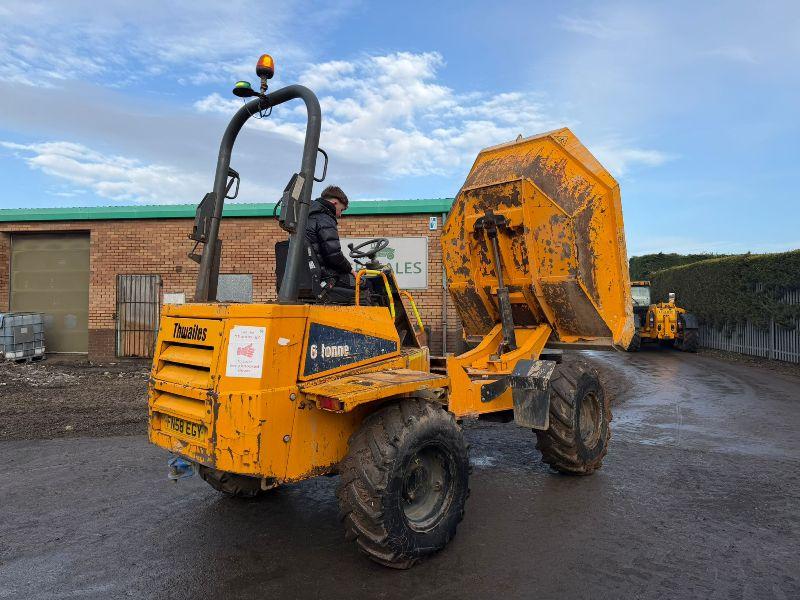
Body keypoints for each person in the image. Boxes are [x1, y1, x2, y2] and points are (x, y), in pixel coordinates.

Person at [305, 185, 358, 303]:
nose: (340, 214)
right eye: (341, 209)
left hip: (309, 276)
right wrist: (350, 269)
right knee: (365, 283)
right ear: (334, 203)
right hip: (326, 277)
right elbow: (333, 255)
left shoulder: (305, 218)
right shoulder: (325, 219)